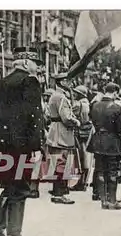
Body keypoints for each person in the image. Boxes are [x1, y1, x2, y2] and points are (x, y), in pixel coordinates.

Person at [0, 46, 43, 236]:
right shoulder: (31, 82)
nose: (38, 68)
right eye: (36, 64)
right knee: (20, 190)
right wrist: (36, 147)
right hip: (21, 147)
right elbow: (35, 118)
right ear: (26, 63)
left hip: (1, 144)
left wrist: (6, 122)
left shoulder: (1, 83)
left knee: (8, 187)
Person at [87, 82, 121, 210]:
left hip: (98, 141)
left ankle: (103, 200)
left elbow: (92, 120)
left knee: (100, 170)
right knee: (112, 171)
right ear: (115, 93)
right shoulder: (117, 108)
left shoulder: (95, 106)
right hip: (112, 143)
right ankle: (112, 200)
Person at [46, 73, 80, 205]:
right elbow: (66, 117)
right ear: (61, 82)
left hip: (55, 131)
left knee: (57, 163)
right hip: (62, 133)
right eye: (67, 80)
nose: (70, 82)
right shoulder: (61, 97)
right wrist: (76, 122)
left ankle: (57, 192)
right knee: (62, 164)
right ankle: (59, 194)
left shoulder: (55, 95)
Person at [70, 85, 93, 191]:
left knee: (80, 158)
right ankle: (84, 182)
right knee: (85, 157)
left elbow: (70, 115)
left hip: (80, 132)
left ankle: (81, 183)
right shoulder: (88, 103)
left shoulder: (78, 104)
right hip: (87, 132)